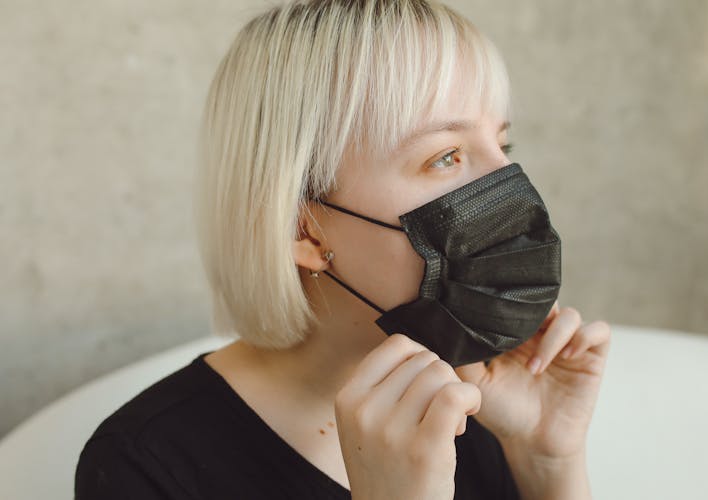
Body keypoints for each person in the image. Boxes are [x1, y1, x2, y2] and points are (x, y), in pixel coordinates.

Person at [75, 1, 612, 498]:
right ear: (303, 229)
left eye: (503, 145)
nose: (511, 182)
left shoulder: (480, 398)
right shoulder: (145, 465)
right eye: (446, 156)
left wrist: (547, 462)